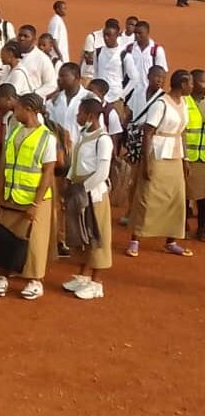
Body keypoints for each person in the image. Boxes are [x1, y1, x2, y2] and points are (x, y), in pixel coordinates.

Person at [0, 93, 57, 300]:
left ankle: (34, 280)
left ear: (28, 109)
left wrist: (36, 203)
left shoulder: (47, 137)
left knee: (34, 240)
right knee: (5, 237)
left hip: (33, 198)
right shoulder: (14, 131)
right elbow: (4, 163)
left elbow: (48, 172)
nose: (14, 111)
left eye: (18, 108)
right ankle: (3, 275)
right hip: (11, 195)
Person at [127, 70, 193, 258]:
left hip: (175, 156)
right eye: (189, 83)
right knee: (147, 197)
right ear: (181, 84)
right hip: (158, 154)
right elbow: (148, 132)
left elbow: (183, 133)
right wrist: (146, 162)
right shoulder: (161, 104)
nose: (192, 87)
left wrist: (185, 158)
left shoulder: (185, 103)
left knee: (176, 199)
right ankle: (135, 240)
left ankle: (171, 241)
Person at [61, 98, 114, 300]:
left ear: (90, 116)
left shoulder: (104, 140)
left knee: (96, 236)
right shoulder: (85, 134)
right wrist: (68, 180)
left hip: (93, 194)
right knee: (82, 235)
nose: (77, 117)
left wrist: (83, 190)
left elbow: (102, 172)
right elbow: (75, 162)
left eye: (80, 113)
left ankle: (96, 282)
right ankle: (83, 276)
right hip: (79, 191)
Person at [186, 70, 205, 242]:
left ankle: (202, 229)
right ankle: (181, 226)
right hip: (186, 156)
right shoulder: (184, 102)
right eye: (201, 82)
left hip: (203, 157)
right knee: (183, 195)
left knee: (203, 197)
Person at [125, 21, 168, 94]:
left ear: (147, 33)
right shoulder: (129, 49)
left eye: (140, 33)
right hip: (131, 92)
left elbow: (162, 73)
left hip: (148, 91)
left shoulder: (157, 50)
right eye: (135, 33)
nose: (137, 36)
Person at [17, 26, 58, 97]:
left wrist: (34, 94)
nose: (22, 38)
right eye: (20, 35)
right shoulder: (12, 55)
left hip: (32, 103)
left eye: (26, 36)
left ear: (34, 39)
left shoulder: (42, 59)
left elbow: (51, 85)